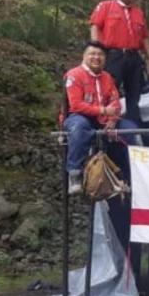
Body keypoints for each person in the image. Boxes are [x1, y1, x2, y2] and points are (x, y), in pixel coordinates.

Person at [62, 41, 139, 195]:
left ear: (105, 58)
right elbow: (76, 105)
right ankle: (75, 173)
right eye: (92, 54)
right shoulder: (74, 75)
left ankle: (130, 173)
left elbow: (115, 102)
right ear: (84, 56)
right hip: (79, 116)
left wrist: (112, 120)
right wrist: (103, 110)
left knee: (130, 128)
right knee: (79, 127)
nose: (96, 57)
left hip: (104, 119)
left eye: (100, 54)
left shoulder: (107, 77)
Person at [90, 0, 149, 124]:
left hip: (134, 56)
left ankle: (133, 125)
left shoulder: (138, 12)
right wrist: (95, 49)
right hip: (113, 55)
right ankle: (104, 122)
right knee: (108, 88)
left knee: (134, 92)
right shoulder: (106, 6)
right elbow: (95, 25)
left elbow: (144, 37)